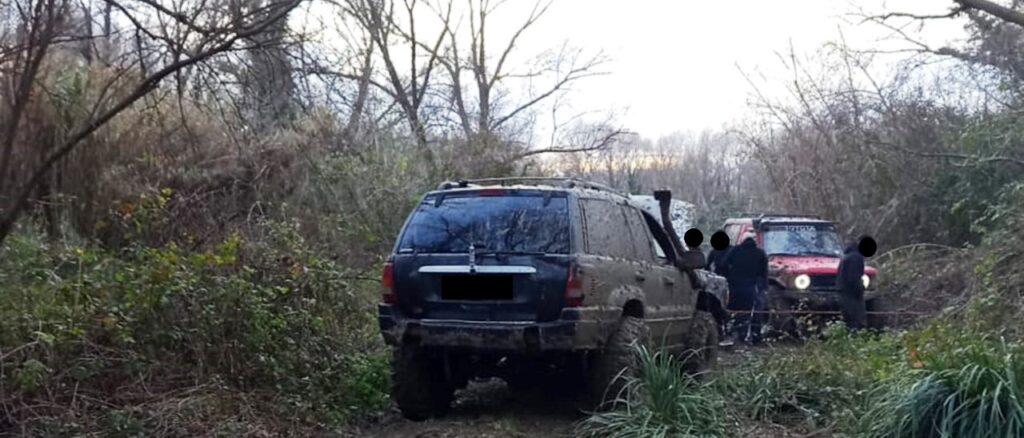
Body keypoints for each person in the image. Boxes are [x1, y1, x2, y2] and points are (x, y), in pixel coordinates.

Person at [720, 230, 768, 344]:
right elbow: (764, 273)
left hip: (734, 286)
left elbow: (723, 264)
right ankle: (750, 335)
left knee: (732, 309)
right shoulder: (760, 253)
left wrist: (728, 277)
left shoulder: (735, 250)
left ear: (743, 239)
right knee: (749, 311)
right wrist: (762, 287)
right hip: (750, 287)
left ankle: (730, 332)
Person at [837, 236, 867, 330]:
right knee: (855, 321)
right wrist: (860, 289)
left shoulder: (848, 256)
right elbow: (853, 278)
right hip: (852, 294)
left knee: (848, 320)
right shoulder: (856, 257)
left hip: (843, 292)